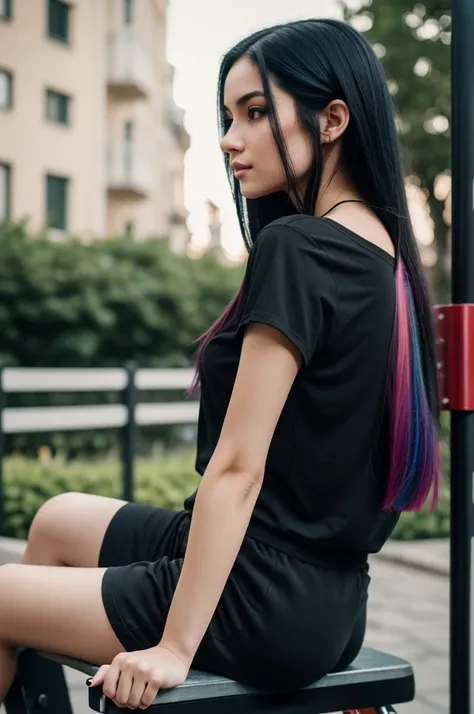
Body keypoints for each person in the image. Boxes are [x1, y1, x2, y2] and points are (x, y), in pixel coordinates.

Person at [0, 17, 440, 711]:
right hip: (329, 598)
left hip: (261, 598)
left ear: (332, 120)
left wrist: (173, 647)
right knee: (55, 518)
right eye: (228, 116)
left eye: (256, 113)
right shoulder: (386, 259)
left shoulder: (299, 246)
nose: (231, 138)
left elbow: (239, 467)